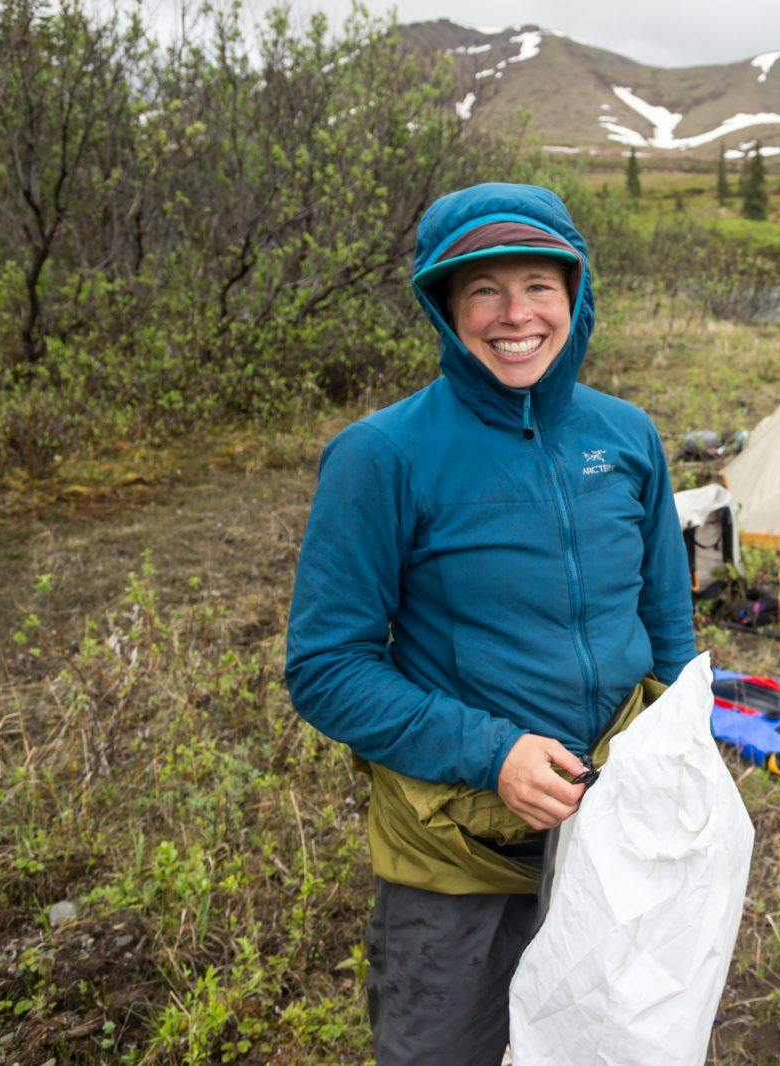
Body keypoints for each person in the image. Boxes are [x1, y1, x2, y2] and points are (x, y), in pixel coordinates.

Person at [284, 183, 696, 1064]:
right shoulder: (383, 455)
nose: (516, 315)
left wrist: (681, 748)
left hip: (611, 834)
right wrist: (493, 752)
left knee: (605, 1040)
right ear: (445, 307)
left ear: (576, 293)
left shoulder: (626, 437)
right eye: (484, 290)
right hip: (457, 850)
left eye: (539, 286)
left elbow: (666, 620)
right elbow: (325, 666)